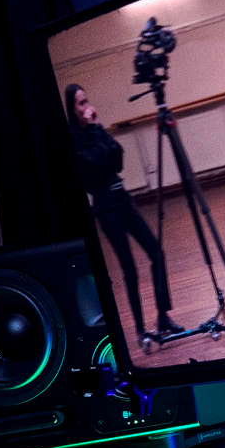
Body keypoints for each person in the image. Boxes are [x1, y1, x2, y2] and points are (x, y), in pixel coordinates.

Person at [65, 84, 178, 339]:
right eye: (81, 103)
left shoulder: (95, 130)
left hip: (123, 199)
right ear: (72, 109)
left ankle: (163, 317)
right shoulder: (75, 140)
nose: (86, 107)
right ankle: (140, 330)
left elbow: (117, 159)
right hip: (106, 208)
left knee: (156, 252)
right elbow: (94, 165)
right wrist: (96, 132)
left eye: (86, 101)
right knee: (129, 268)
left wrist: (98, 128)